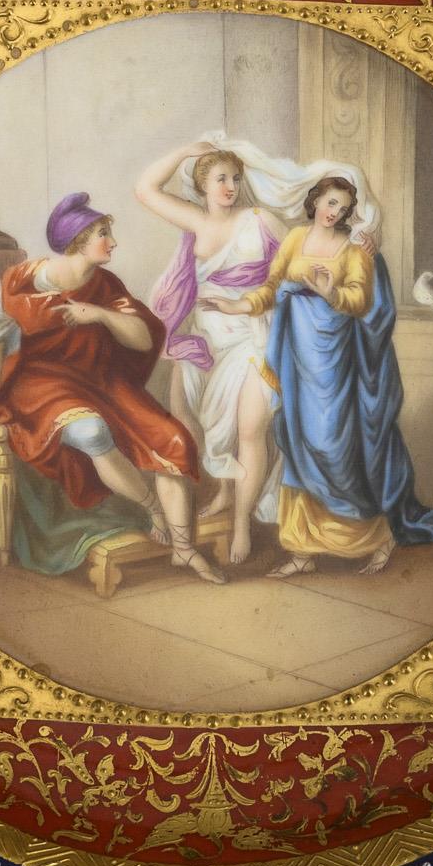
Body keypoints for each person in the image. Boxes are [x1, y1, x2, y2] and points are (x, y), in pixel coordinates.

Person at [0, 192, 226, 583]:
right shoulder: (23, 281)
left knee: (172, 440)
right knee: (90, 431)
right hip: (42, 385)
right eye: (104, 234)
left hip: (99, 381)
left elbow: (142, 337)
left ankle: (184, 550)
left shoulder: (106, 286)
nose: (113, 242)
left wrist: (99, 315)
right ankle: (153, 508)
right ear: (77, 241)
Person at [209, 173, 433, 577]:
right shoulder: (295, 239)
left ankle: (377, 538)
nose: (334, 212)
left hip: (333, 365)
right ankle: (303, 551)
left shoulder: (354, 252)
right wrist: (235, 306)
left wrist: (330, 291)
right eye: (330, 202)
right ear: (315, 201)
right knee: (299, 447)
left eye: (343, 208)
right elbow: (271, 288)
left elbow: (359, 301)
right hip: (297, 361)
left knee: (333, 450)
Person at [137, 140, 284, 565]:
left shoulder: (260, 220)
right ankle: (223, 492)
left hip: (253, 336)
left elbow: (297, 260)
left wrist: (250, 302)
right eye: (220, 179)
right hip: (205, 341)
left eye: (235, 178)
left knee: (250, 430)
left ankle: (242, 526)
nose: (230, 187)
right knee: (191, 423)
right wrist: (182, 151)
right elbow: (145, 189)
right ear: (202, 185)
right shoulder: (196, 221)